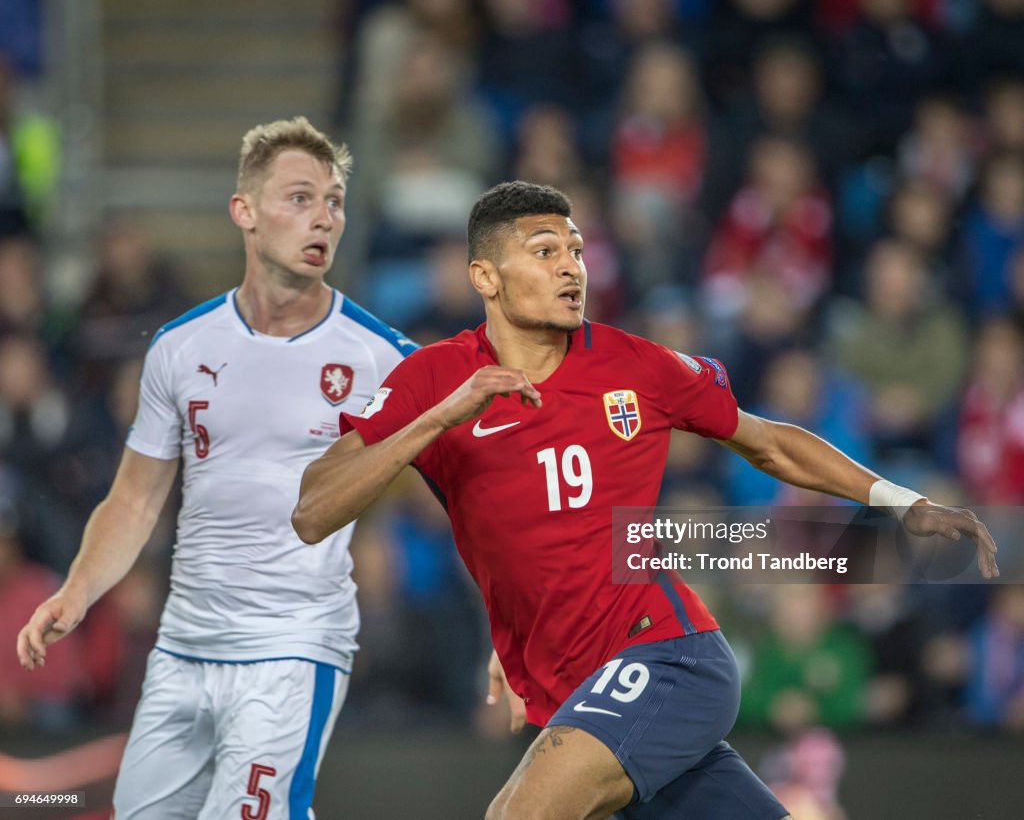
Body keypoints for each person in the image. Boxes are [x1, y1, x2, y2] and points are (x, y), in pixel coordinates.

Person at [291, 181, 999, 820]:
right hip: (575, 689)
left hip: (666, 656)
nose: (572, 267)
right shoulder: (437, 380)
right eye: (544, 251)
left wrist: (900, 499)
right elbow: (314, 510)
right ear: (486, 276)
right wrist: (439, 419)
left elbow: (768, 443)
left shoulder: (636, 365)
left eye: (575, 249)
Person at [16, 117, 415, 819]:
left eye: (335, 201)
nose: (324, 216)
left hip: (294, 649)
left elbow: (472, 489)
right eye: (300, 197)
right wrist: (77, 592)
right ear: (245, 212)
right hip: (183, 648)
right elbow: (135, 501)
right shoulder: (179, 347)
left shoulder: (379, 355)